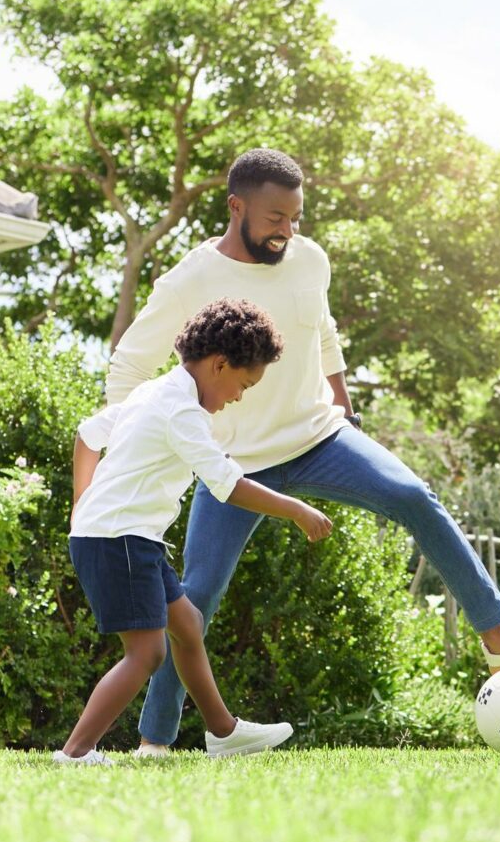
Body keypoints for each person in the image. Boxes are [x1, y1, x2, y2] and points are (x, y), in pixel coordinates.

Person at [104, 148, 500, 758]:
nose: (288, 231)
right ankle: (156, 743)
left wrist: (343, 404)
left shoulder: (310, 259)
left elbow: (322, 331)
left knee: (413, 495)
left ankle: (498, 640)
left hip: (319, 436)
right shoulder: (191, 279)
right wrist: (124, 443)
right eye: (276, 217)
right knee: (195, 600)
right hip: (237, 461)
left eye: (296, 218)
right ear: (236, 207)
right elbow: (130, 364)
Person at [55, 298, 333, 765]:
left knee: (187, 624)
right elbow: (226, 484)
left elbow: (87, 435)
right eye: (243, 384)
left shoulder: (153, 392)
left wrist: (80, 504)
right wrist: (296, 510)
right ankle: (76, 753)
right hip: (120, 539)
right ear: (219, 364)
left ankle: (223, 732)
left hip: (125, 536)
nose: (238, 397)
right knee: (146, 654)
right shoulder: (179, 411)